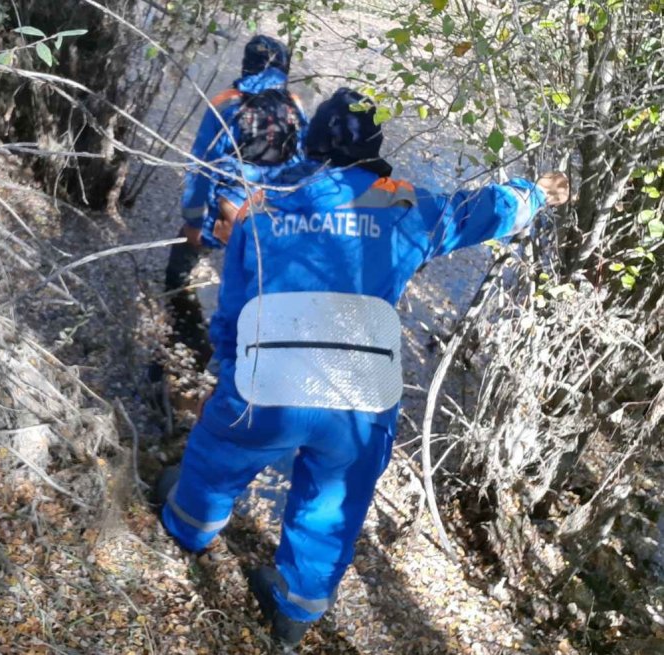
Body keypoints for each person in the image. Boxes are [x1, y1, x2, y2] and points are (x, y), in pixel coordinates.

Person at [155, 88, 569, 648]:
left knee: (218, 453)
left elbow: (232, 313)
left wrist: (226, 376)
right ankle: (295, 611)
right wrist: (536, 193)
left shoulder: (267, 205)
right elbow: (483, 211)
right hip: (357, 399)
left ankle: (189, 528)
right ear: (373, 146)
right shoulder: (403, 205)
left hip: (267, 386)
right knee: (334, 503)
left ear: (311, 141)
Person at [164, 34, 307, 294]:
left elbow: (201, 167)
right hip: (274, 211)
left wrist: (194, 221)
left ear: (247, 64)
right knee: (253, 279)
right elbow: (303, 160)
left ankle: (174, 294)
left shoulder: (227, 103)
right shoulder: (294, 105)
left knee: (186, 248)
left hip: (228, 209)